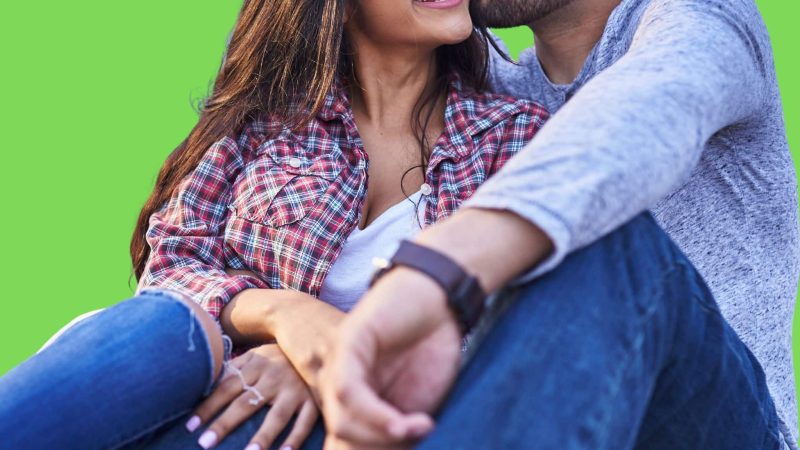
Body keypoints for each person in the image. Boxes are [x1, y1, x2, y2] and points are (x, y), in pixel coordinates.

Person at [0, 0, 549, 449]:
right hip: (204, 375)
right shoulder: (264, 125)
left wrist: (331, 362)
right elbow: (168, 270)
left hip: (336, 425)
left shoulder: (518, 140)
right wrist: (285, 317)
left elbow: (519, 338)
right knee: (167, 328)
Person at [316, 0, 800, 449]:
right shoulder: (483, 95)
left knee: (604, 244)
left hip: (718, 425)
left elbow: (650, 105)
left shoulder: (708, 20)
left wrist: (437, 272)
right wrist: (289, 329)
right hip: (533, 419)